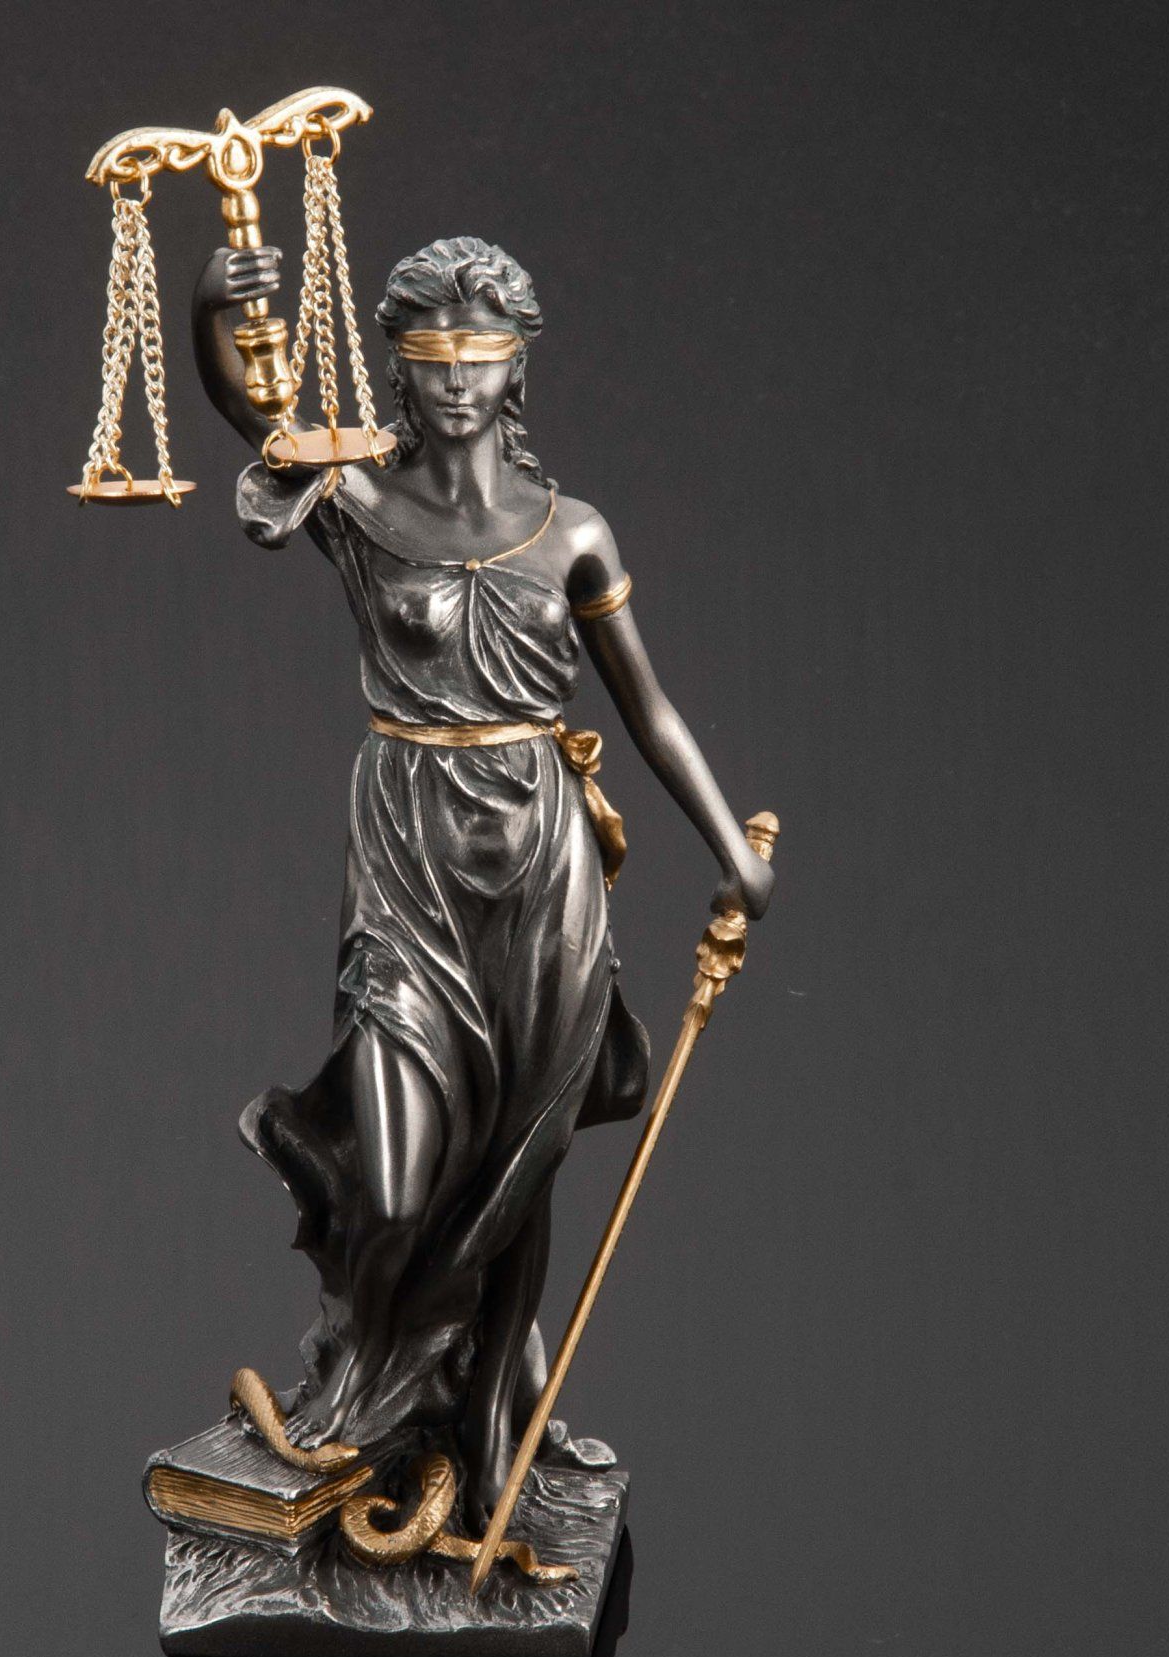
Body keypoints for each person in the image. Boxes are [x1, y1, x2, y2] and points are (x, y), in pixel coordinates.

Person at [191, 236, 772, 1534]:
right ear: (399, 369)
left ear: (518, 368)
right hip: (409, 858)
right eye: (434, 357)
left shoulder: (573, 533)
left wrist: (730, 849)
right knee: (398, 1178)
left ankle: (490, 1426)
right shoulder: (357, 501)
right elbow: (252, 407)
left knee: (522, 1160)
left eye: (483, 356)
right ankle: (362, 1384)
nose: (457, 382)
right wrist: (214, 305)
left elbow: (650, 711)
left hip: (544, 869)